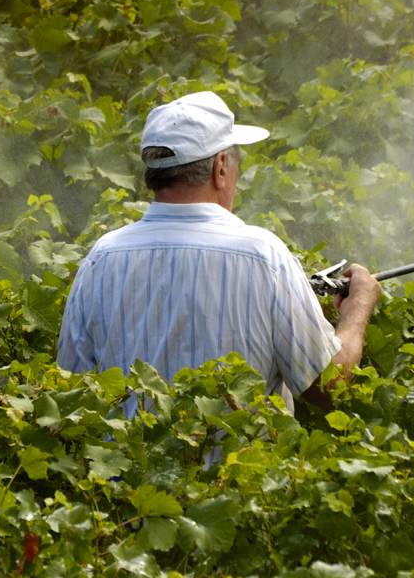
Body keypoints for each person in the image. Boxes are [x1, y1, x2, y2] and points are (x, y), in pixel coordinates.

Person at [57, 91, 380, 414]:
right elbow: (328, 389)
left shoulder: (101, 258)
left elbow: (71, 394)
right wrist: (358, 307)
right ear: (220, 167)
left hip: (130, 465)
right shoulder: (264, 256)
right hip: (242, 466)